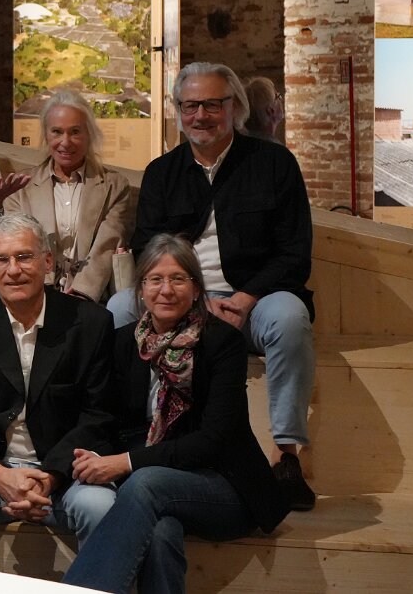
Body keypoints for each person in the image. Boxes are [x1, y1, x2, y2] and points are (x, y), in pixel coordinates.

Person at [105, 61, 317, 511]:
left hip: (255, 300)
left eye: (212, 104)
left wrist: (244, 299)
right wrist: (192, 304)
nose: (200, 115)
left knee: (290, 318)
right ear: (178, 111)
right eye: (190, 106)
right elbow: (148, 249)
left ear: (235, 107)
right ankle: (126, 439)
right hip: (182, 298)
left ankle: (286, 455)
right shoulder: (162, 172)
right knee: (119, 309)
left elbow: (294, 253)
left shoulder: (274, 163)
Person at [62, 234, 290, 593]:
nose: (166, 290)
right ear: (141, 289)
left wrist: (125, 462)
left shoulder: (222, 343)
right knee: (161, 531)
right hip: (155, 486)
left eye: (178, 279)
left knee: (145, 482)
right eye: (155, 279)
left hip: (224, 486)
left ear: (196, 289)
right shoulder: (122, 342)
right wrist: (97, 457)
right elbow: (107, 417)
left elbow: (213, 440)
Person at [0, 212, 116, 570]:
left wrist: (50, 477)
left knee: (102, 508)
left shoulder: (91, 323)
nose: (13, 270)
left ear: (47, 261)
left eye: (24, 256)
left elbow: (99, 415)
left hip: (65, 466)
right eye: (1, 260)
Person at [0, 89, 134, 303]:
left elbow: (106, 246)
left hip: (92, 297)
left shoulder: (114, 186)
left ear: (89, 134)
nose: (66, 142)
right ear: (46, 135)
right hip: (34, 295)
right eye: (57, 132)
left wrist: (81, 293)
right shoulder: (21, 187)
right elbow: (0, 247)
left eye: (75, 132)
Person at [244, 76, 285, 143]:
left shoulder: (244, 143)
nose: (281, 100)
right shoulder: (274, 147)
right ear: (271, 110)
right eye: (278, 96)